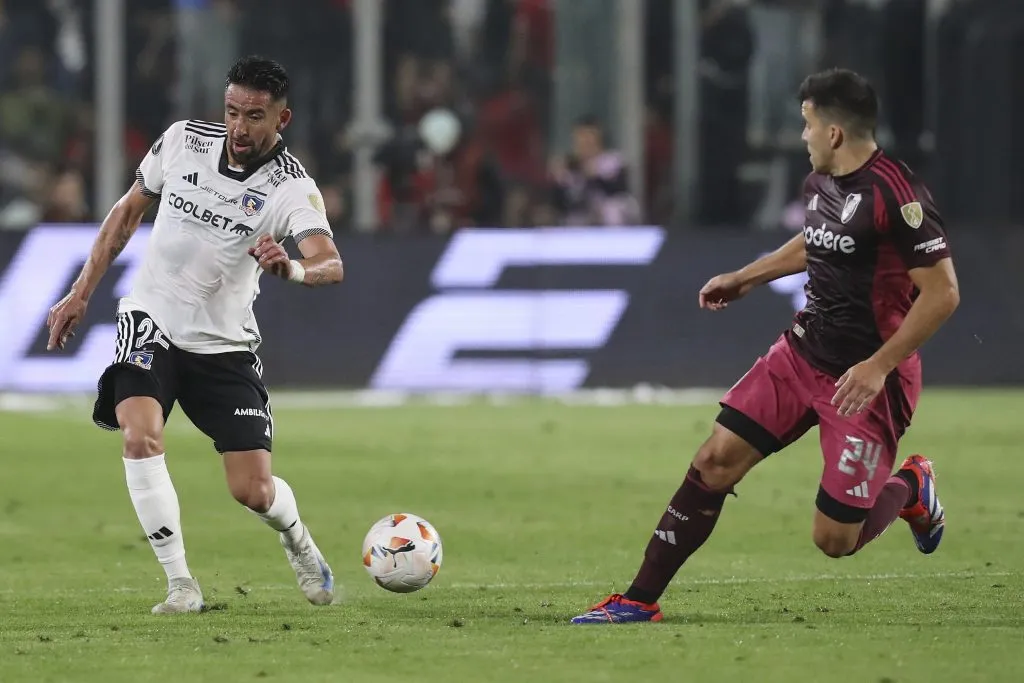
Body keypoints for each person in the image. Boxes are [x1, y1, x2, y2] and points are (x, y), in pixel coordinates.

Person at [571, 68, 959, 624]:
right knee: (713, 460)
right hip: (802, 353)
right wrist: (747, 277)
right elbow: (818, 240)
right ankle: (639, 598)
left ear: (833, 133)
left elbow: (943, 293)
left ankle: (911, 487)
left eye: (806, 124)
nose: (801, 136)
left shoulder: (898, 194)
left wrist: (879, 366)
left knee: (834, 539)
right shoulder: (820, 184)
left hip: (865, 380)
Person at [45, 56, 343, 614]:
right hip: (151, 318)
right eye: (232, 111)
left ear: (283, 119)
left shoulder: (291, 189)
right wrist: (81, 291)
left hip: (224, 345)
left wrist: (292, 270)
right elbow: (127, 213)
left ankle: (298, 539)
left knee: (251, 491)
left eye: (255, 116)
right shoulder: (181, 141)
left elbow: (330, 263)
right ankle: (181, 586)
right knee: (139, 437)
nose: (239, 127)